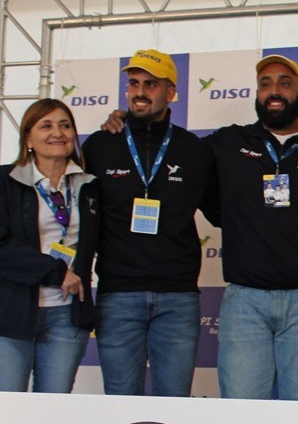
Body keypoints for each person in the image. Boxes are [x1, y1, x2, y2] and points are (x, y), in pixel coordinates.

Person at [206, 55, 298, 400]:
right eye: (266, 84)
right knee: (241, 415)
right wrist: (126, 123)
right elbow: (179, 160)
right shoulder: (227, 144)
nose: (274, 91)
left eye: (285, 83)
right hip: (245, 301)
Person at [82, 49, 214, 397]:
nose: (140, 92)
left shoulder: (194, 150)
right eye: (134, 83)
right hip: (117, 295)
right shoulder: (100, 145)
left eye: (151, 84)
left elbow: (222, 209)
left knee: (173, 405)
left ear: (171, 93)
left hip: (177, 298)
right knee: (121, 404)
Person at [0, 99, 98, 393]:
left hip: (67, 316)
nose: (57, 133)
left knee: (53, 411)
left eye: (65, 125)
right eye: (46, 126)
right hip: (10, 314)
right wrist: (56, 272)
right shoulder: (2, 180)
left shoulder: (88, 185)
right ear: (28, 139)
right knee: (7, 409)